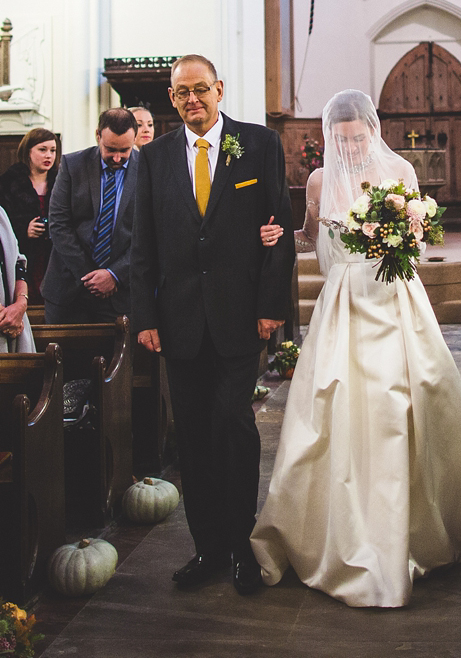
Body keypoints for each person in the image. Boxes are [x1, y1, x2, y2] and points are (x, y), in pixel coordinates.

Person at [250, 90, 461, 608]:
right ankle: (334, 533)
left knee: (408, 399)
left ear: (372, 130)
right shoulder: (318, 179)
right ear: (331, 136)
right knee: (330, 411)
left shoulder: (399, 172)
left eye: (358, 137)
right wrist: (279, 234)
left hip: (393, 297)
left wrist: (399, 235)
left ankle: (420, 530)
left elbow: (419, 245)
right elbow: (310, 238)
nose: (351, 147)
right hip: (342, 305)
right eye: (342, 138)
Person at [130, 54, 295, 595]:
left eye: (201, 89)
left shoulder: (257, 144)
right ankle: (207, 548)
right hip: (177, 321)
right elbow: (142, 248)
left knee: (235, 426)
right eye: (182, 93)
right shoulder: (152, 158)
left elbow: (280, 230)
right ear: (172, 99)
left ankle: (243, 544)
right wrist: (146, 318)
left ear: (219, 89)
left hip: (238, 316)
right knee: (194, 436)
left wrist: (271, 305)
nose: (192, 99)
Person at [41, 108, 139, 323]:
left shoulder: (146, 170)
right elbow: (59, 225)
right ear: (98, 135)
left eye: (124, 150)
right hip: (68, 288)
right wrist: (91, 276)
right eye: (110, 148)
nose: (117, 157)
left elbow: (150, 234)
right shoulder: (72, 165)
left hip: (120, 294)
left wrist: (114, 275)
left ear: (135, 138)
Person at [0, 128, 59, 303]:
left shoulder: (62, 181)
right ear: (28, 152)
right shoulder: (8, 183)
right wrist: (24, 230)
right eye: (42, 150)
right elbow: (3, 223)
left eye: (53, 150)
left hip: (53, 255)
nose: (48, 155)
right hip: (23, 254)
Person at [0, 206, 34, 352]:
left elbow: (18, 264)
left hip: (13, 321)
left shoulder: (1, 213)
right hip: (6, 320)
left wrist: (20, 304)